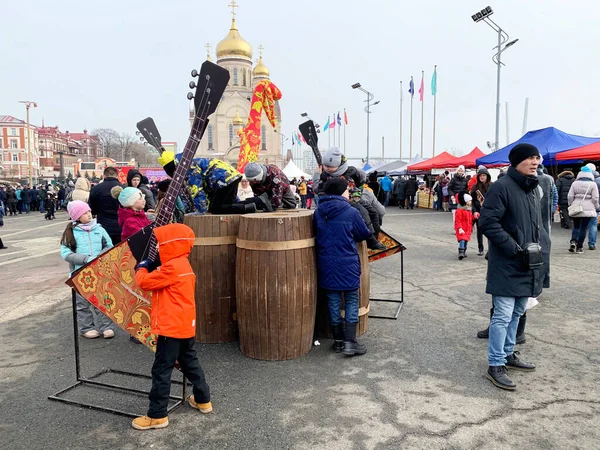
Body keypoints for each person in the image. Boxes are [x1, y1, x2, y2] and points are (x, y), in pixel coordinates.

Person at [479, 143, 549, 390]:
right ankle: (495, 364)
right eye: (530, 158)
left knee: (518, 311)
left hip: (528, 262)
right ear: (517, 161)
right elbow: (488, 223)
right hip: (508, 262)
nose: (535, 161)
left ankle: (508, 354)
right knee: (503, 314)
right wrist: (514, 248)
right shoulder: (501, 187)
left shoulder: (532, 188)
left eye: (536, 158)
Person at [132, 223, 212, 430]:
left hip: (170, 328)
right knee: (189, 362)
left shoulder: (170, 268)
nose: (157, 248)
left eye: (160, 244)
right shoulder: (183, 264)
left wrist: (142, 267)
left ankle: (157, 415)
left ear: (170, 245)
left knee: (162, 369)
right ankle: (203, 399)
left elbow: (144, 282)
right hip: (185, 325)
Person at [314, 177, 371, 356]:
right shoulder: (350, 211)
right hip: (347, 263)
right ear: (341, 192)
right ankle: (349, 342)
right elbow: (363, 233)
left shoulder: (318, 211)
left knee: (333, 300)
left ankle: (338, 341)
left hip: (326, 263)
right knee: (352, 299)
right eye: (347, 190)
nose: (348, 192)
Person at [60, 201, 115, 339]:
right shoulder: (70, 232)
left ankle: (106, 327)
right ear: (77, 216)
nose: (89, 214)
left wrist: (99, 256)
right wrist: (85, 259)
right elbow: (66, 254)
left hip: (99, 270)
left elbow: (109, 245)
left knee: (102, 300)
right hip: (80, 274)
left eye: (89, 211)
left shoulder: (99, 229)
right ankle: (86, 328)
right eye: (84, 213)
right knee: (82, 304)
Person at [159, 152, 253, 214]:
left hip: (223, 180)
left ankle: (249, 208)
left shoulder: (188, 168)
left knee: (216, 208)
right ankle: (254, 203)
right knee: (228, 204)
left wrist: (201, 211)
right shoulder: (188, 162)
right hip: (231, 176)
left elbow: (197, 190)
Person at [567, 166, 599, 254]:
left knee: (576, 226)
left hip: (576, 206)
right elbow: (595, 198)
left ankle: (573, 241)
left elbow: (570, 196)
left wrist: (571, 204)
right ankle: (579, 247)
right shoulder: (593, 184)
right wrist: (595, 206)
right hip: (588, 208)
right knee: (583, 228)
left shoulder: (575, 183)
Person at [89, 167, 123, 245]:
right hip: (120, 225)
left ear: (104, 176)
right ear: (117, 176)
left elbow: (92, 209)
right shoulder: (123, 189)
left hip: (103, 225)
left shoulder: (95, 189)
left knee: (105, 251)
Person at [470, 167, 492, 255]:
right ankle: (480, 248)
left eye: (484, 175)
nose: (482, 177)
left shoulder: (492, 186)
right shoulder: (475, 187)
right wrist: (474, 211)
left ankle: (490, 250)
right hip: (478, 212)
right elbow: (472, 201)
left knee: (491, 232)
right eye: (480, 176)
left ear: (487, 176)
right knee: (479, 231)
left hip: (489, 212)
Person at [454, 192, 473, 260]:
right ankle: (461, 252)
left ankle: (464, 251)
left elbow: (470, 218)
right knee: (462, 239)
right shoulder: (459, 211)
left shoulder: (468, 210)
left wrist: (475, 217)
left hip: (467, 228)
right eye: (469, 201)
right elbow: (457, 220)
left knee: (465, 240)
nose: (470, 202)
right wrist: (459, 228)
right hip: (462, 228)